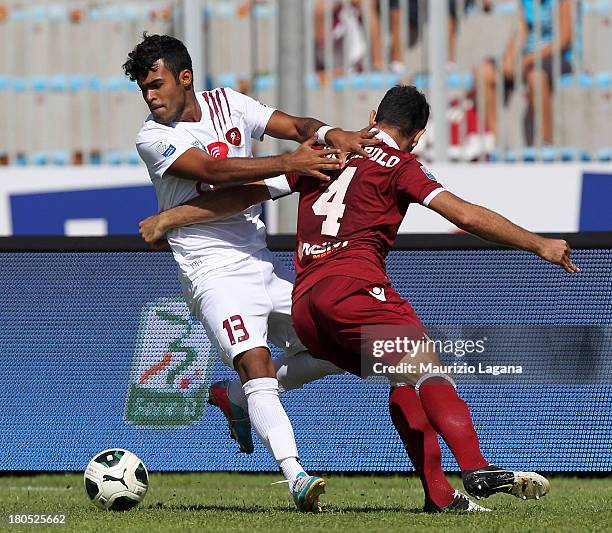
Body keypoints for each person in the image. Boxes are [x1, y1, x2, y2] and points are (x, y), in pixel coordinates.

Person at [139, 85, 579, 512]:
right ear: (418, 135)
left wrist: (172, 217)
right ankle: (476, 467)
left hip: (306, 303)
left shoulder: (330, 155)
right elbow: (463, 214)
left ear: (372, 117)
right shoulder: (402, 164)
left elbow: (243, 195)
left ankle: (439, 496)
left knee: (402, 377)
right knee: (428, 368)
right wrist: (539, 243)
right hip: (353, 289)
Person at [123, 32, 378, 513]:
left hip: (261, 262)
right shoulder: (153, 137)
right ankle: (296, 475)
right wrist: (291, 164)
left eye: (156, 84)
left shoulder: (229, 103)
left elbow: (296, 124)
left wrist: (330, 135)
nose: (150, 96)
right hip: (212, 275)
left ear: (185, 77)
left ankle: (236, 398)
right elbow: (218, 174)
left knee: (339, 347)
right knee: (256, 361)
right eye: (143, 89)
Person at [476, 0, 574, 147]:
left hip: (556, 58)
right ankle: (497, 144)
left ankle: (546, 144)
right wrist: (509, 57)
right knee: (485, 71)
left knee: (536, 76)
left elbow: (563, 40)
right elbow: (522, 31)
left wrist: (531, 58)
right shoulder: (526, 2)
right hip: (528, 58)